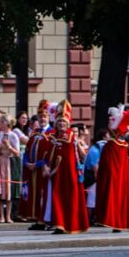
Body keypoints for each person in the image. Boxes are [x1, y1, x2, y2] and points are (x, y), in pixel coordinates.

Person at [42, 100, 89, 234]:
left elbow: (80, 154)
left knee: (69, 198)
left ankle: (70, 224)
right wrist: (46, 166)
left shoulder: (71, 136)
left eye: (64, 121)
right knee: (56, 198)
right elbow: (47, 155)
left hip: (69, 173)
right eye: (59, 121)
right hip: (55, 174)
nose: (61, 124)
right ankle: (59, 223)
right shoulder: (51, 137)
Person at [95, 105, 129, 232]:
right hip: (113, 176)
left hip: (114, 177)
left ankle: (115, 220)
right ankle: (116, 221)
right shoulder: (116, 143)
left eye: (112, 120)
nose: (109, 122)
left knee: (115, 196)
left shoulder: (114, 144)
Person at [20, 101, 53, 229]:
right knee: (33, 195)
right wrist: (27, 162)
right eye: (40, 117)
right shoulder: (34, 133)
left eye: (44, 117)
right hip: (31, 170)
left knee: (42, 195)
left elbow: (50, 153)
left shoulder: (52, 134)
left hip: (42, 170)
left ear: (48, 118)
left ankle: (43, 220)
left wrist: (38, 164)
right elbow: (28, 149)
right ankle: (35, 218)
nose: (42, 119)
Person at [0, 114, 20, 223]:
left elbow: (17, 153)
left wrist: (9, 146)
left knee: (9, 188)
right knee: (1, 189)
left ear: (5, 123)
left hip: (9, 162)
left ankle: (8, 215)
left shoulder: (13, 135)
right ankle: (1, 215)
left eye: (0, 122)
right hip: (0, 161)